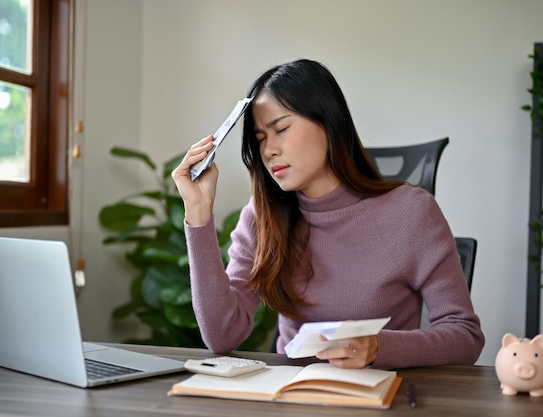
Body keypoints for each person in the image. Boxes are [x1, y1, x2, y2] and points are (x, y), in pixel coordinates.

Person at [172, 59, 484, 370]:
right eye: (260, 139)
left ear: (328, 122)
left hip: (383, 397)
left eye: (281, 128)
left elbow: (465, 336)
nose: (269, 151)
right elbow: (222, 336)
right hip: (289, 396)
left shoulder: (411, 212)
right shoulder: (262, 215)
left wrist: (378, 346)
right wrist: (198, 213)